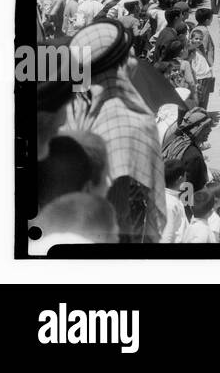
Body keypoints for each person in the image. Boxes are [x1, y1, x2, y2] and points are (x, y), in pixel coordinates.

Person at [63, 20, 166, 242]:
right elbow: (155, 211)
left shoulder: (69, 106)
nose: (133, 61)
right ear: (116, 66)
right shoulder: (130, 121)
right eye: (128, 55)